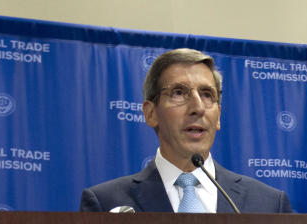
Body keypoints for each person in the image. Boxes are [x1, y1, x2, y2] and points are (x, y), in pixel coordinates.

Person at [80, 48, 291, 213]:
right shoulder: (106, 203)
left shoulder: (268, 204)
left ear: (218, 115)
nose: (198, 107)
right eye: (179, 93)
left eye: (207, 94)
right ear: (151, 113)